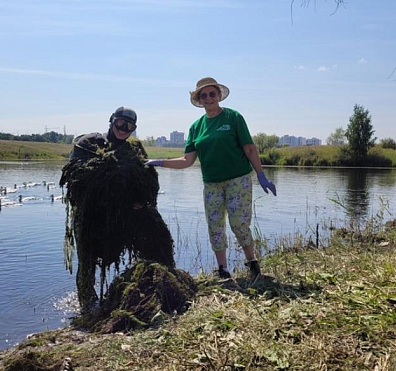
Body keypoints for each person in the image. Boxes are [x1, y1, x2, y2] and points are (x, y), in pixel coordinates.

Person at [146, 77, 276, 279]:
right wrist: (160, 162)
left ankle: (252, 262)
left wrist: (260, 174)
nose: (208, 98)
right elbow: (187, 160)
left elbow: (249, 148)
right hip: (211, 184)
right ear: (199, 99)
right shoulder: (196, 127)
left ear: (219, 95)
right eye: (203, 95)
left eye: (212, 94)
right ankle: (223, 269)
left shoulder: (233, 117)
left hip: (238, 179)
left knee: (238, 224)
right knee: (215, 225)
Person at [66, 106, 174, 309]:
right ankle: (87, 303)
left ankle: (158, 284)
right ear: (112, 121)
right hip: (93, 216)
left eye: (129, 125)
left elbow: (148, 179)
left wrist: (143, 201)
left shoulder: (134, 149)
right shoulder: (89, 143)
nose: (124, 129)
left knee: (157, 234)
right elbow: (76, 181)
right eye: (120, 123)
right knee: (87, 259)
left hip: (126, 214)